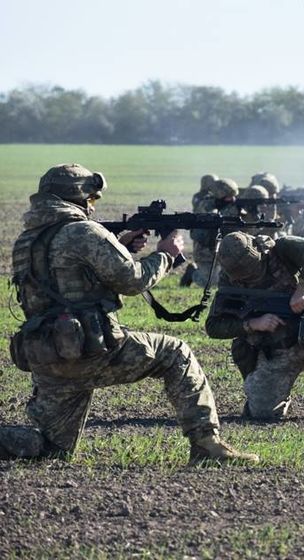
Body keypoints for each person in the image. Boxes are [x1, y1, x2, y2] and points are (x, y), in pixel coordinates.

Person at [1, 163, 257, 465]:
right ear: (76, 197)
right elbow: (133, 280)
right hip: (92, 350)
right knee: (176, 353)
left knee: (51, 449)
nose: (93, 208)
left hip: (48, 358)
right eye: (92, 200)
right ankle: (207, 445)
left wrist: (118, 247)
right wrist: (166, 254)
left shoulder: (27, 242)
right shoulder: (83, 232)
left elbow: (68, 287)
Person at [205, 231, 304, 421]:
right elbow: (213, 326)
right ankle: (264, 397)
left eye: (251, 270)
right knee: (263, 414)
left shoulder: (282, 250)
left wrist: (302, 290)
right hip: (276, 351)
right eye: (241, 275)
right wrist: (253, 324)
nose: (247, 278)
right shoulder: (229, 279)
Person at [180, 177, 241, 288]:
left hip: (222, 248)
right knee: (210, 282)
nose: (232, 200)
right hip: (205, 250)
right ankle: (192, 273)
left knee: (224, 279)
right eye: (229, 197)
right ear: (220, 195)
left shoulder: (230, 206)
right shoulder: (206, 206)